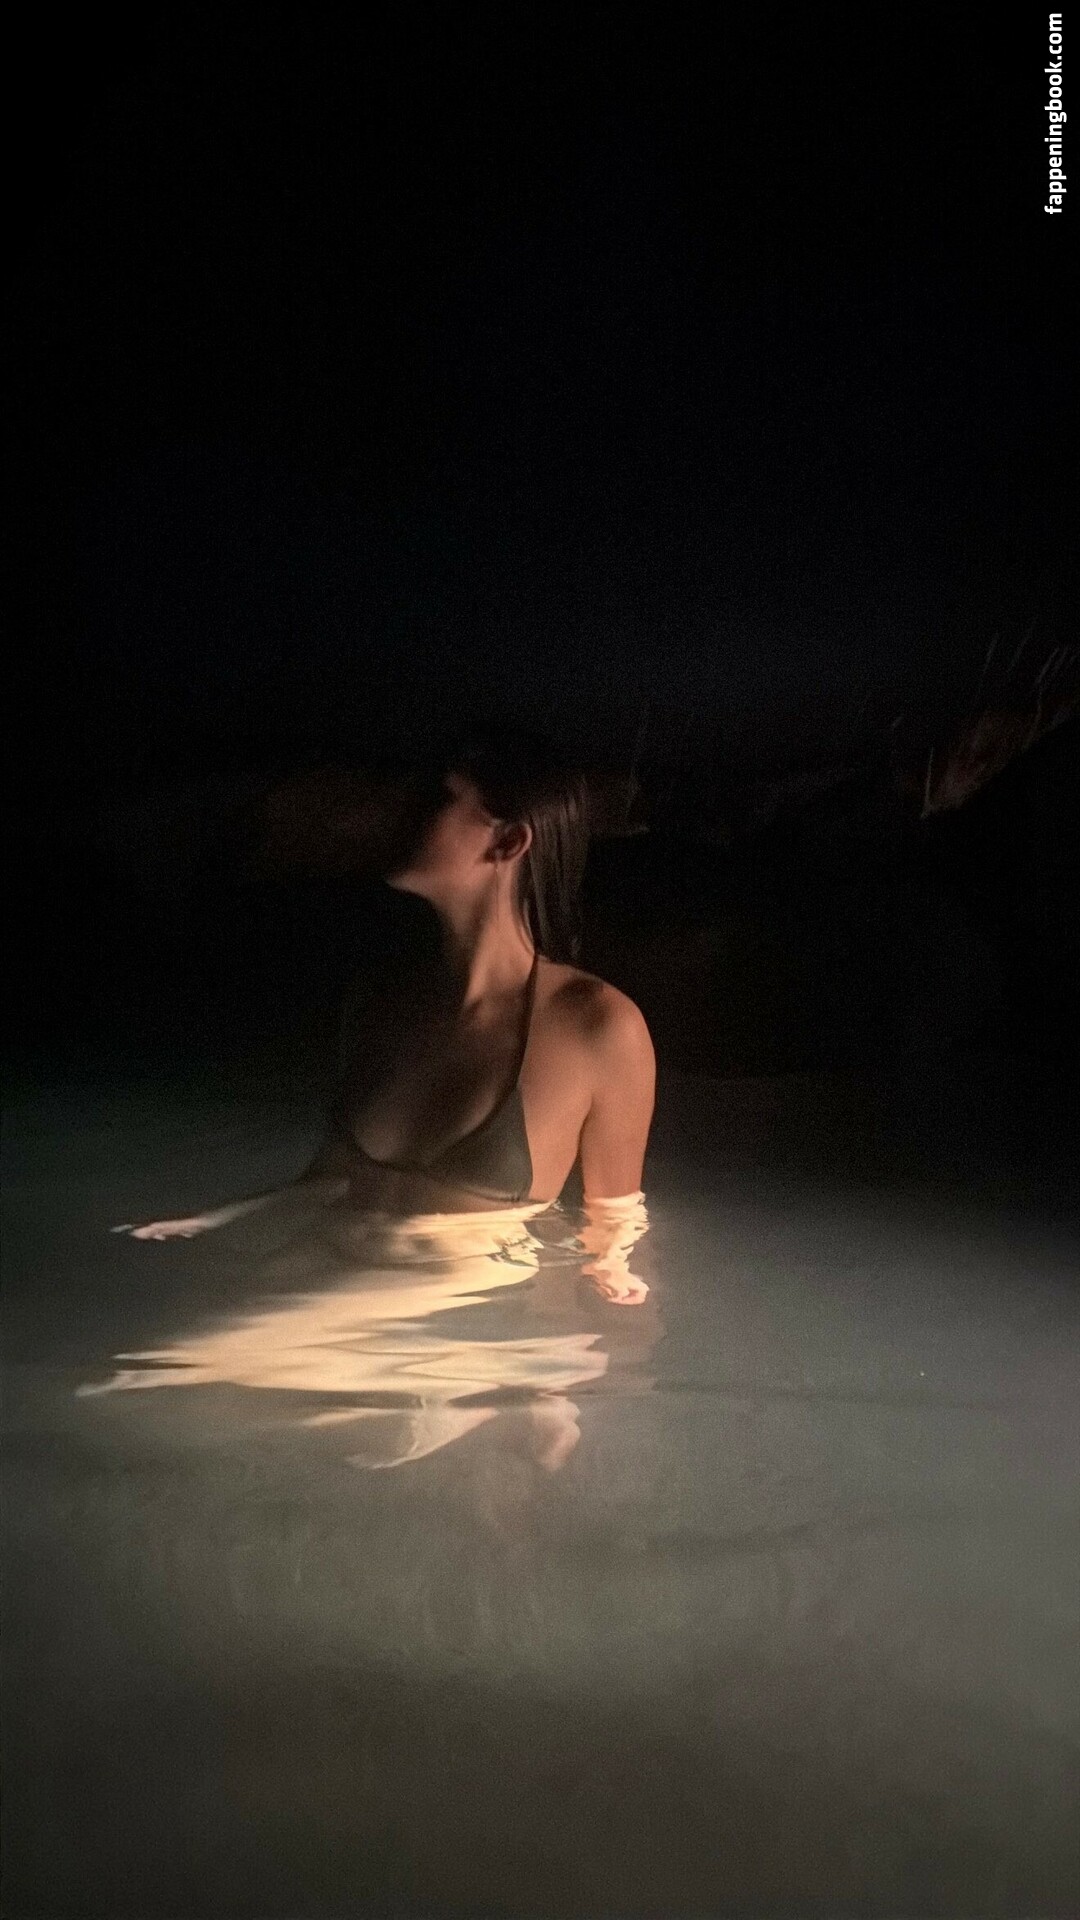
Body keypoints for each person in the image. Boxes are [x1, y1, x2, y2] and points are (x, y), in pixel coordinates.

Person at [113, 724, 656, 1301]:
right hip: (326, 1274)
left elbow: (615, 1219)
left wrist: (609, 1298)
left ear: (508, 843)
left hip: (447, 1311)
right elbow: (329, 1180)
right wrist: (211, 1219)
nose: (404, 814)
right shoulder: (383, 1003)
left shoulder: (598, 1026)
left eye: (438, 800)